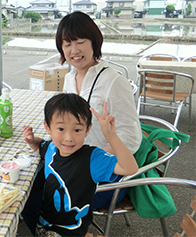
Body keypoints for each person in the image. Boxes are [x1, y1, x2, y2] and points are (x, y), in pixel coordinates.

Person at [55, 11, 142, 208]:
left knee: (51, 194)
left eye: (80, 41)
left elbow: (131, 138)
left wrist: (91, 160)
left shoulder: (113, 81)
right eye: (67, 44)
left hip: (106, 175)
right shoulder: (69, 78)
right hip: (76, 160)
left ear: (94, 41)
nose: (74, 50)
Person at [22, 93, 138, 237]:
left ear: (87, 129)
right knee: (24, 205)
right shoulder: (52, 147)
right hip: (45, 220)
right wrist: (32, 140)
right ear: (48, 127)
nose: (69, 138)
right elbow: (41, 146)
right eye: (61, 129)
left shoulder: (92, 158)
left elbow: (130, 168)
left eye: (77, 130)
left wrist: (111, 136)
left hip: (69, 230)